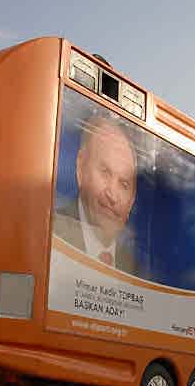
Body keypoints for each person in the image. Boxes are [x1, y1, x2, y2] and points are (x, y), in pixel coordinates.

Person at [54, 114, 138, 274]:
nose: (112, 196)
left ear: (132, 200)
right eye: (105, 172)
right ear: (81, 168)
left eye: (124, 184)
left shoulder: (134, 270)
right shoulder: (50, 234)